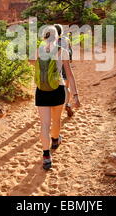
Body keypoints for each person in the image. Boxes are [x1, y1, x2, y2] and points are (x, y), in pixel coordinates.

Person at [33, 25, 81, 170]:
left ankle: (46, 155)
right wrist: (76, 96)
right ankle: (55, 140)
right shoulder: (63, 51)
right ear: (58, 37)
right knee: (56, 120)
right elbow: (70, 75)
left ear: (43, 36)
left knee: (44, 124)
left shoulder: (38, 51)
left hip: (41, 91)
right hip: (58, 89)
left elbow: (33, 67)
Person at [54, 24, 74, 117]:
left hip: (55, 66)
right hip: (64, 64)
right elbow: (70, 54)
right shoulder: (66, 40)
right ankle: (67, 104)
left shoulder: (50, 42)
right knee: (66, 87)